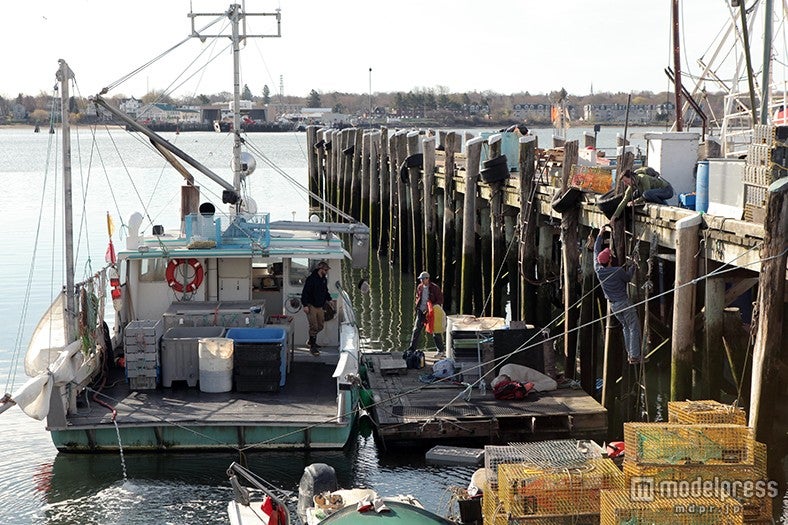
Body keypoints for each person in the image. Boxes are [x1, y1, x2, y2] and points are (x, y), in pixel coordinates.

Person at [593, 227, 643, 364]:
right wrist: (633, 266)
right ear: (609, 260)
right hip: (623, 302)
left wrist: (599, 236)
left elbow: (596, 252)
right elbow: (627, 278)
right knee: (633, 326)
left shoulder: (598, 270)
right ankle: (634, 356)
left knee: (626, 327)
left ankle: (630, 353)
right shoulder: (617, 271)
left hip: (613, 306)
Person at [406, 271, 445, 356]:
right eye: (420, 279)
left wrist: (431, 307)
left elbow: (440, 300)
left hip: (431, 312)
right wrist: (417, 305)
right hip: (421, 311)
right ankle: (412, 349)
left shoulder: (435, 288)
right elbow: (417, 296)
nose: (421, 281)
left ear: (427, 279)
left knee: (435, 331)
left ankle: (441, 350)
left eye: (423, 279)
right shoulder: (420, 287)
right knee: (416, 330)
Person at [301, 260, 334, 356]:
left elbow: (325, 291)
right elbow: (305, 293)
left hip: (320, 306)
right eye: (325, 270)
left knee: (320, 326)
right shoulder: (311, 279)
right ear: (320, 269)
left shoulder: (324, 279)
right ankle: (313, 347)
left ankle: (311, 341)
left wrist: (330, 299)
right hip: (311, 306)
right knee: (314, 326)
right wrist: (305, 305)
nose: (326, 271)